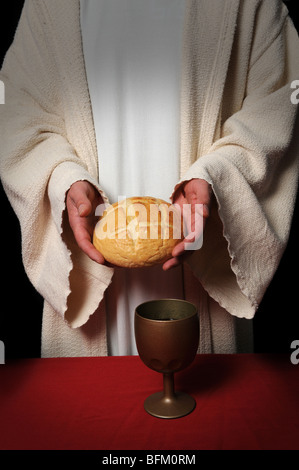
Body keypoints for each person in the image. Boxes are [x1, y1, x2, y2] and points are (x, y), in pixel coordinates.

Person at [0, 0, 299, 357]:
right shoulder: (50, 6)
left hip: (203, 284)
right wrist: (64, 179)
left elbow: (278, 107)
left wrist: (215, 177)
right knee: (89, 407)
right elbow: (17, 115)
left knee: (211, 408)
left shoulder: (252, 4)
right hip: (93, 292)